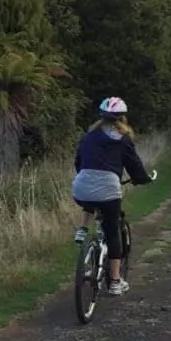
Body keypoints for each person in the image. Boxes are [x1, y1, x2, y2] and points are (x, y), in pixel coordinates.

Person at [72, 96, 154, 295]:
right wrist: (143, 179)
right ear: (122, 118)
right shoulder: (122, 140)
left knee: (91, 198)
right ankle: (115, 282)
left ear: (101, 117)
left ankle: (83, 229)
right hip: (109, 189)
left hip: (81, 186)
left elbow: (78, 162)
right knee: (112, 231)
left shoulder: (88, 136)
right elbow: (134, 166)